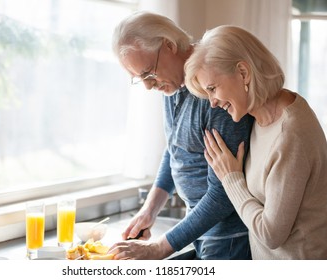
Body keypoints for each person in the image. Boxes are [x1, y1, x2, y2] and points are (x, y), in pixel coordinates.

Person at [108, 12, 254, 260]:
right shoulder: (174, 84)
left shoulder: (216, 92)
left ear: (168, 45)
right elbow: (176, 149)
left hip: (228, 239)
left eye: (148, 73)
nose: (148, 86)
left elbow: (224, 194)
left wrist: (158, 248)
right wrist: (149, 210)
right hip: (199, 230)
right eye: (139, 79)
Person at [184, 25, 327, 259]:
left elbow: (271, 234)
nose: (212, 102)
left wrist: (231, 179)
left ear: (243, 73)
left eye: (213, 89)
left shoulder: (290, 134)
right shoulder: (258, 118)